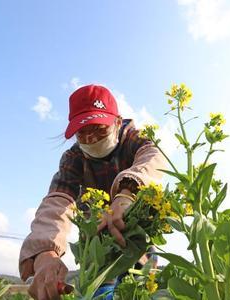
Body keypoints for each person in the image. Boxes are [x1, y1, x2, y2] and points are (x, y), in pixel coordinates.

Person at [19, 84, 165, 300]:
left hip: (136, 242)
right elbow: (58, 202)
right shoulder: (74, 158)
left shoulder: (133, 139)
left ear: (116, 122)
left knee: (139, 291)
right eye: (82, 133)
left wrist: (127, 193)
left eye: (98, 129)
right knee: (97, 294)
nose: (90, 139)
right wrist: (45, 251)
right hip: (97, 245)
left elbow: (153, 156)